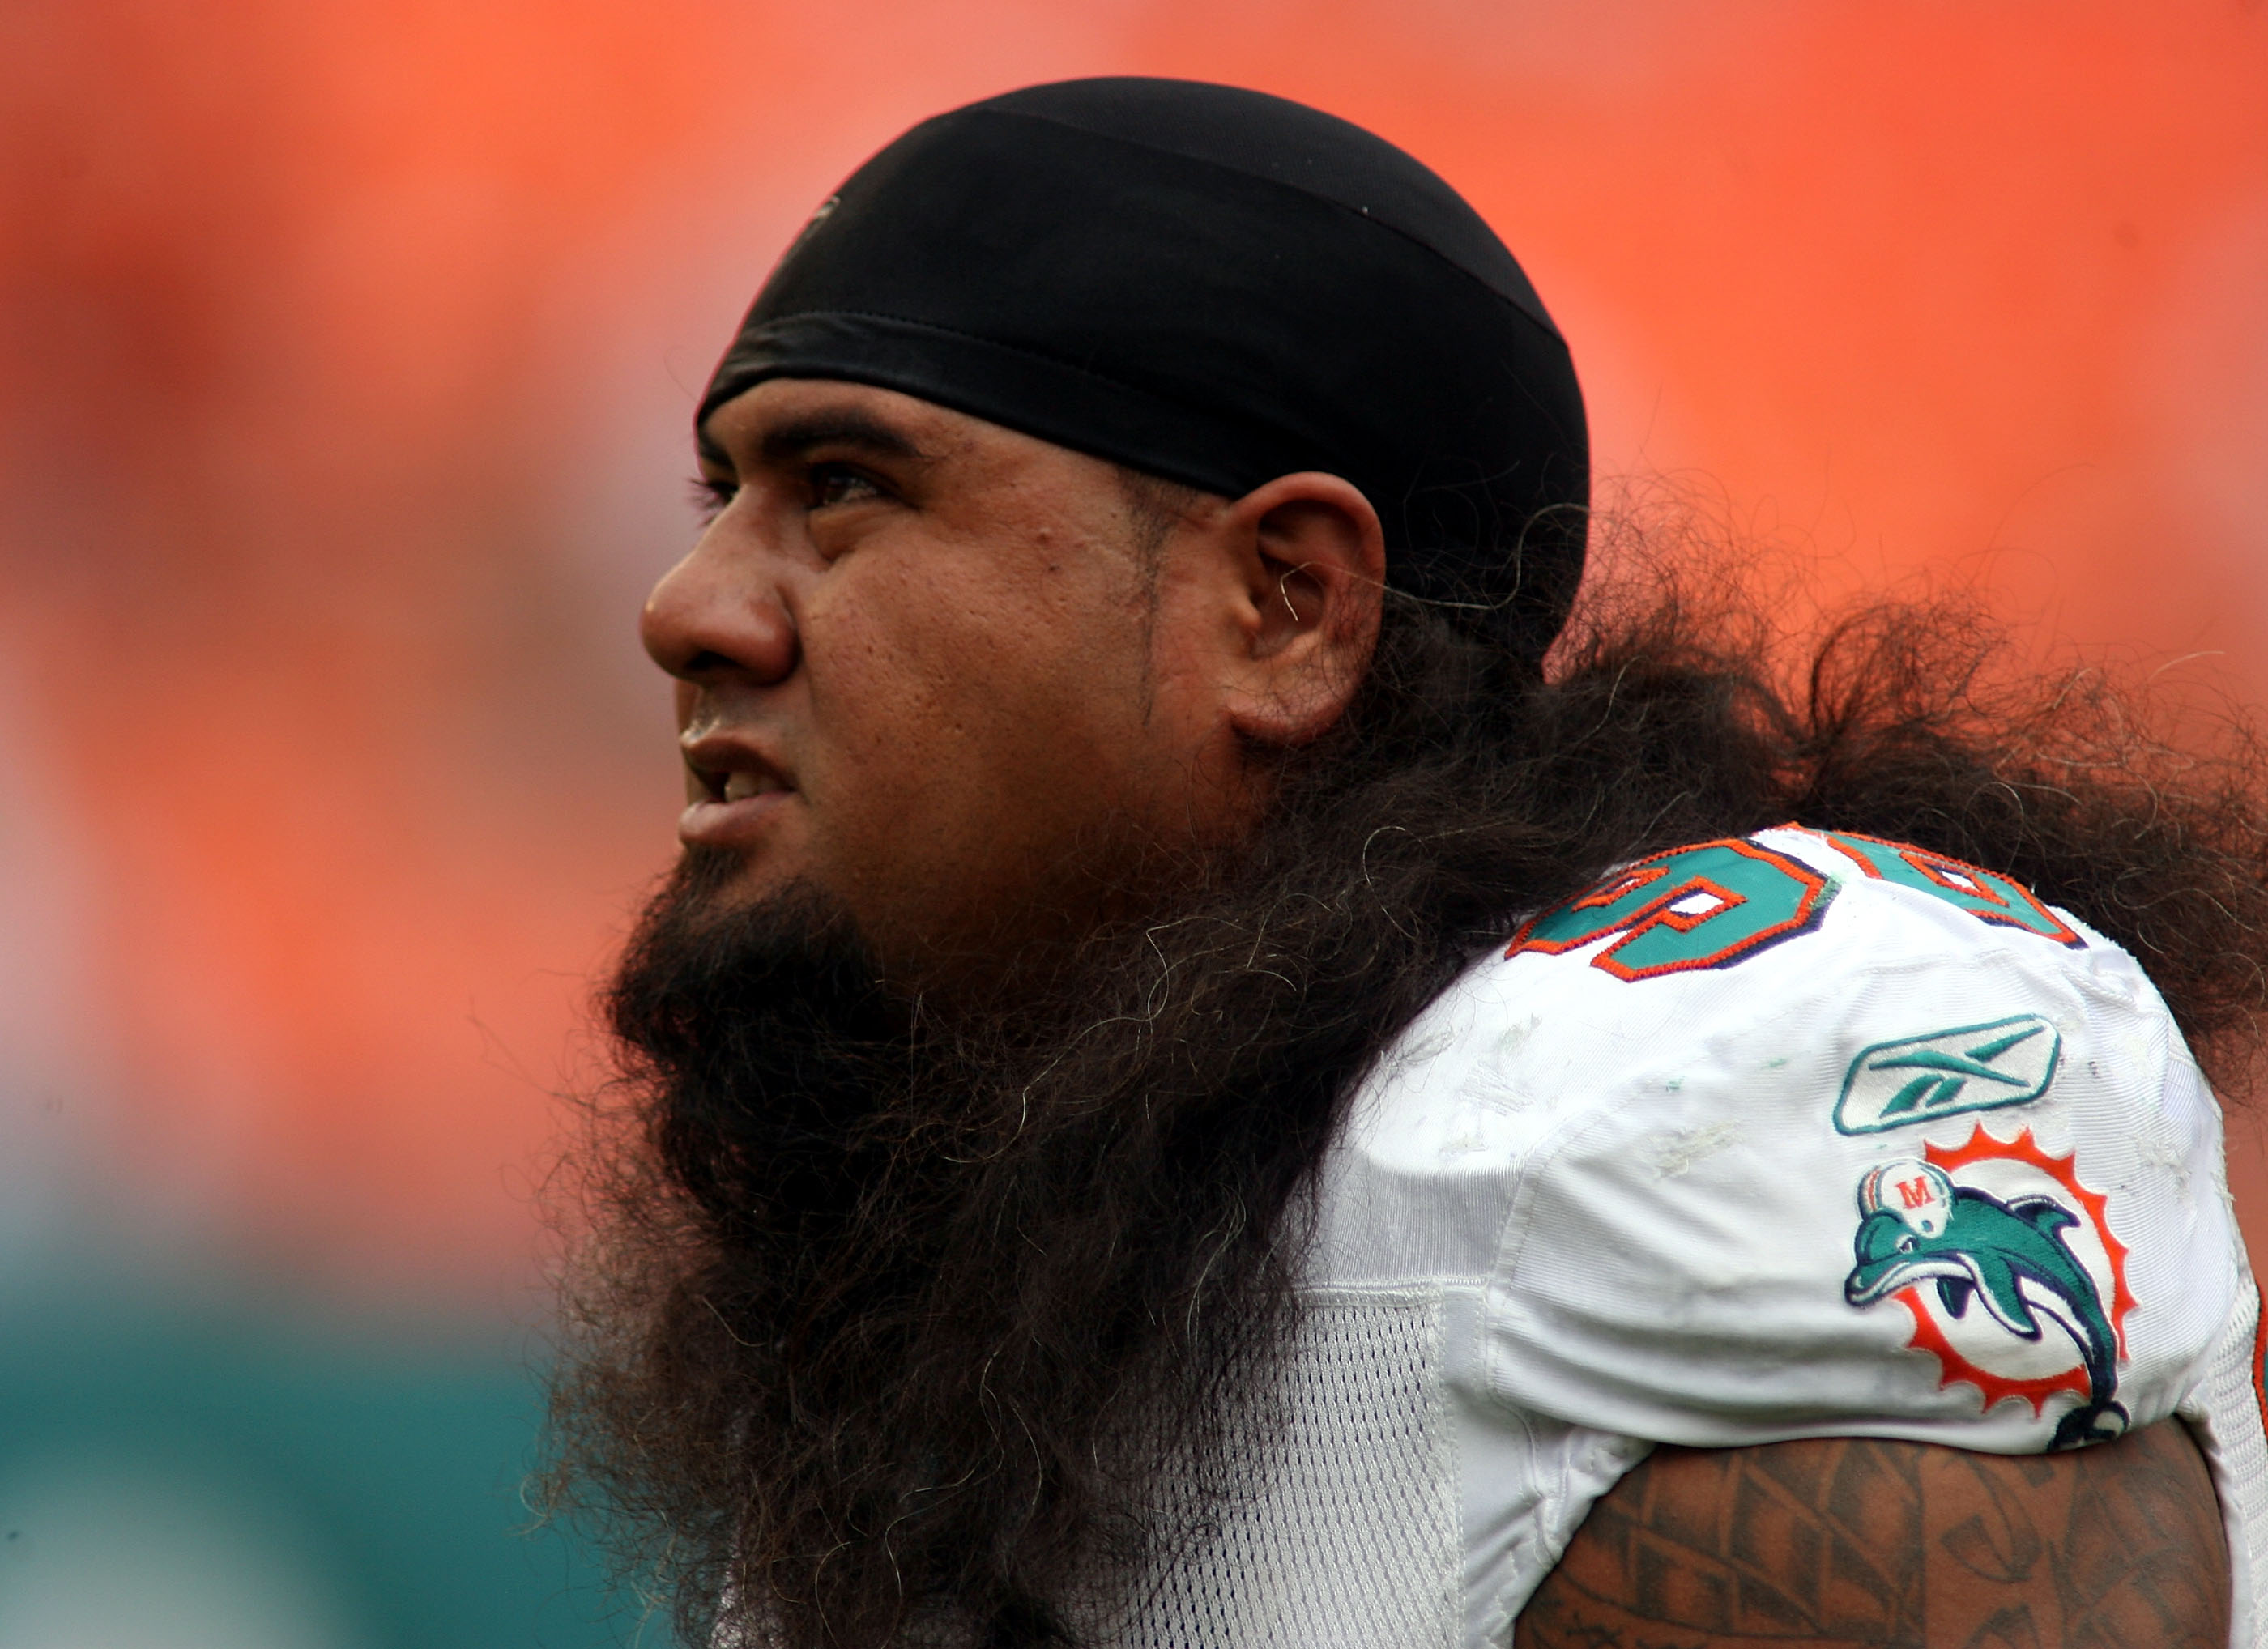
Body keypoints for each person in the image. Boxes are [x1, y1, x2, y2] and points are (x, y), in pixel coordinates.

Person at [547, 78, 2268, 1647]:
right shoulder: (1001, 1228)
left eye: (842, 486)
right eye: (716, 493)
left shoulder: (1661, 1090)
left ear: (1283, 607)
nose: (684, 600)